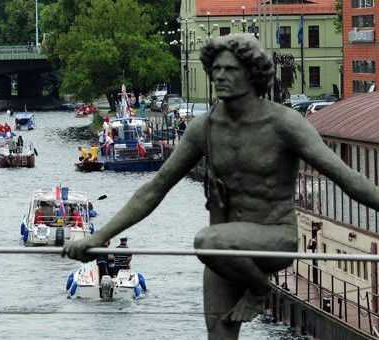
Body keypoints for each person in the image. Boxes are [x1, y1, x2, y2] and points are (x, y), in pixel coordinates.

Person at [62, 33, 379, 340]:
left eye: (230, 69)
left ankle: (259, 288)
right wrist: (100, 236)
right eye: (215, 69)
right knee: (219, 333)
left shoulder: (285, 124)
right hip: (224, 251)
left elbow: (347, 178)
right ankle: (254, 286)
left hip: (272, 238)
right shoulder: (204, 127)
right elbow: (155, 188)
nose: (219, 76)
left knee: (206, 239)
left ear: (253, 72)